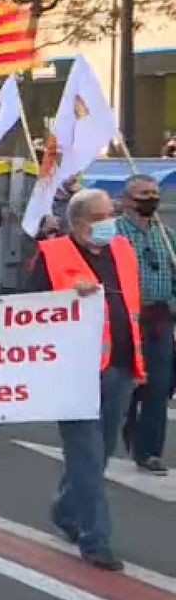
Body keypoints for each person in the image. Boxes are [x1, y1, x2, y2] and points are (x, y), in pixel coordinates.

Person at [27, 190, 143, 571]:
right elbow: (28, 314)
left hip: (120, 368)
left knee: (101, 452)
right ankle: (96, 539)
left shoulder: (122, 250)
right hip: (74, 373)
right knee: (87, 456)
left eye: (112, 213)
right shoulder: (52, 256)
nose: (111, 221)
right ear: (78, 223)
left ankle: (65, 510)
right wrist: (67, 297)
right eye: (102, 216)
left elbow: (132, 304)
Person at [115, 175, 171, 473]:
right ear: (126, 200)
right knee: (126, 384)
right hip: (126, 318)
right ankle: (126, 426)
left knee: (159, 386)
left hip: (160, 320)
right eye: (143, 194)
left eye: (154, 193)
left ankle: (149, 451)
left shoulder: (166, 236)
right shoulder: (113, 234)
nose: (150, 198)